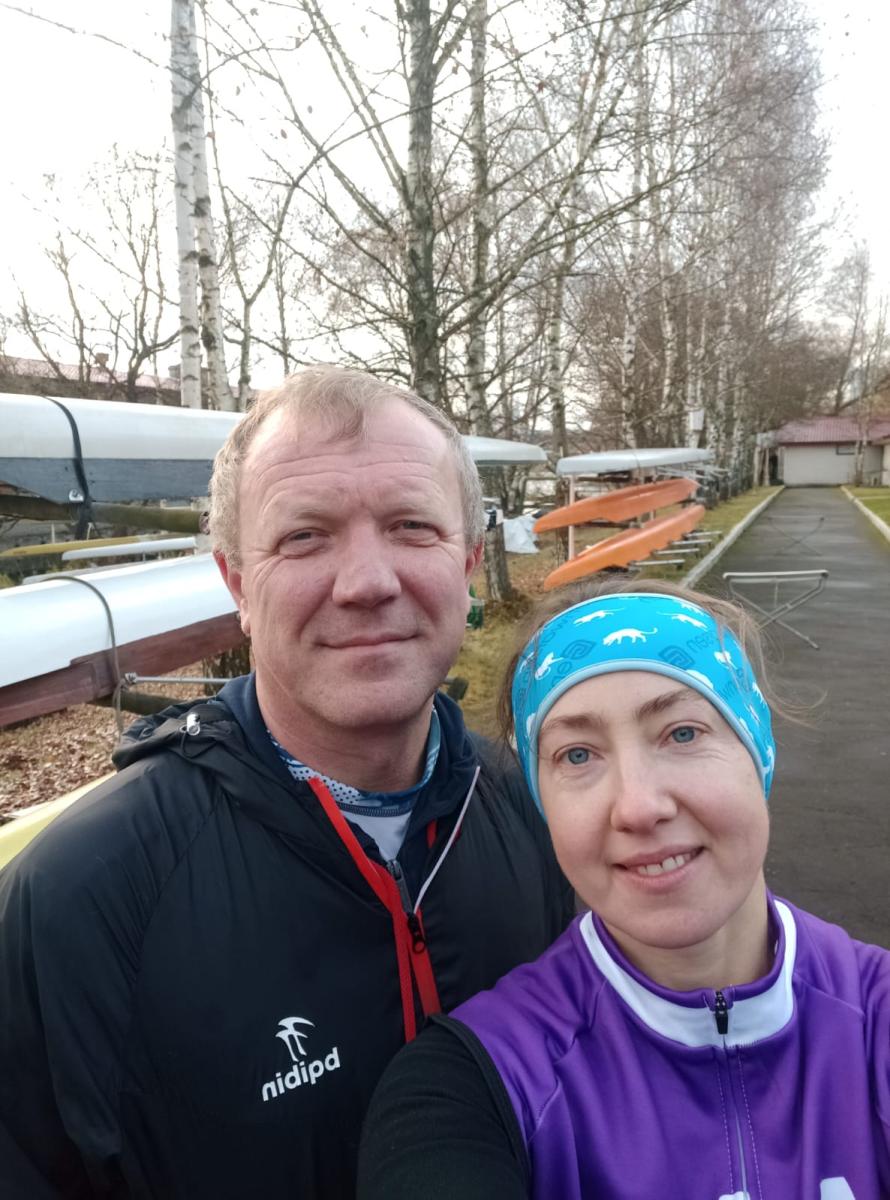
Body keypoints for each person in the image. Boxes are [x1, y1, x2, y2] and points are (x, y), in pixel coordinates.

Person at [0, 366, 572, 1199]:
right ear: (237, 583)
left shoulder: (545, 820)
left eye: (412, 526)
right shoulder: (79, 899)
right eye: (305, 536)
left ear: (470, 562)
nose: (368, 581)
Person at [359, 580, 890, 1200]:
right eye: (577, 755)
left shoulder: (875, 1021)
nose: (638, 807)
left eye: (682, 733)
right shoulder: (473, 1085)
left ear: (757, 751)